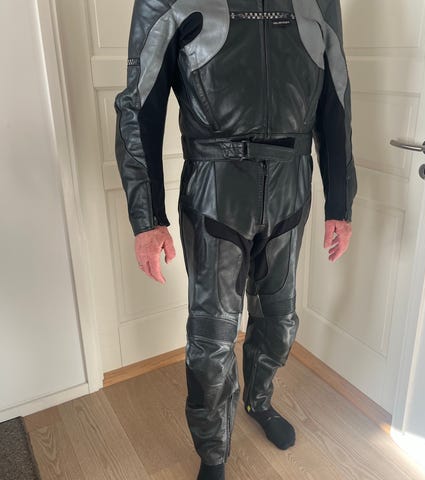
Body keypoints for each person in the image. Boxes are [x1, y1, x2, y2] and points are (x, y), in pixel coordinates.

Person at [114, 0, 357, 478]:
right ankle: (213, 451)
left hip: (291, 188)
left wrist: (340, 204)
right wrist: (147, 219)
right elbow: (138, 106)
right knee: (212, 339)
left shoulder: (318, 3)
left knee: (279, 319)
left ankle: (258, 400)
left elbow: (336, 99)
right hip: (216, 192)